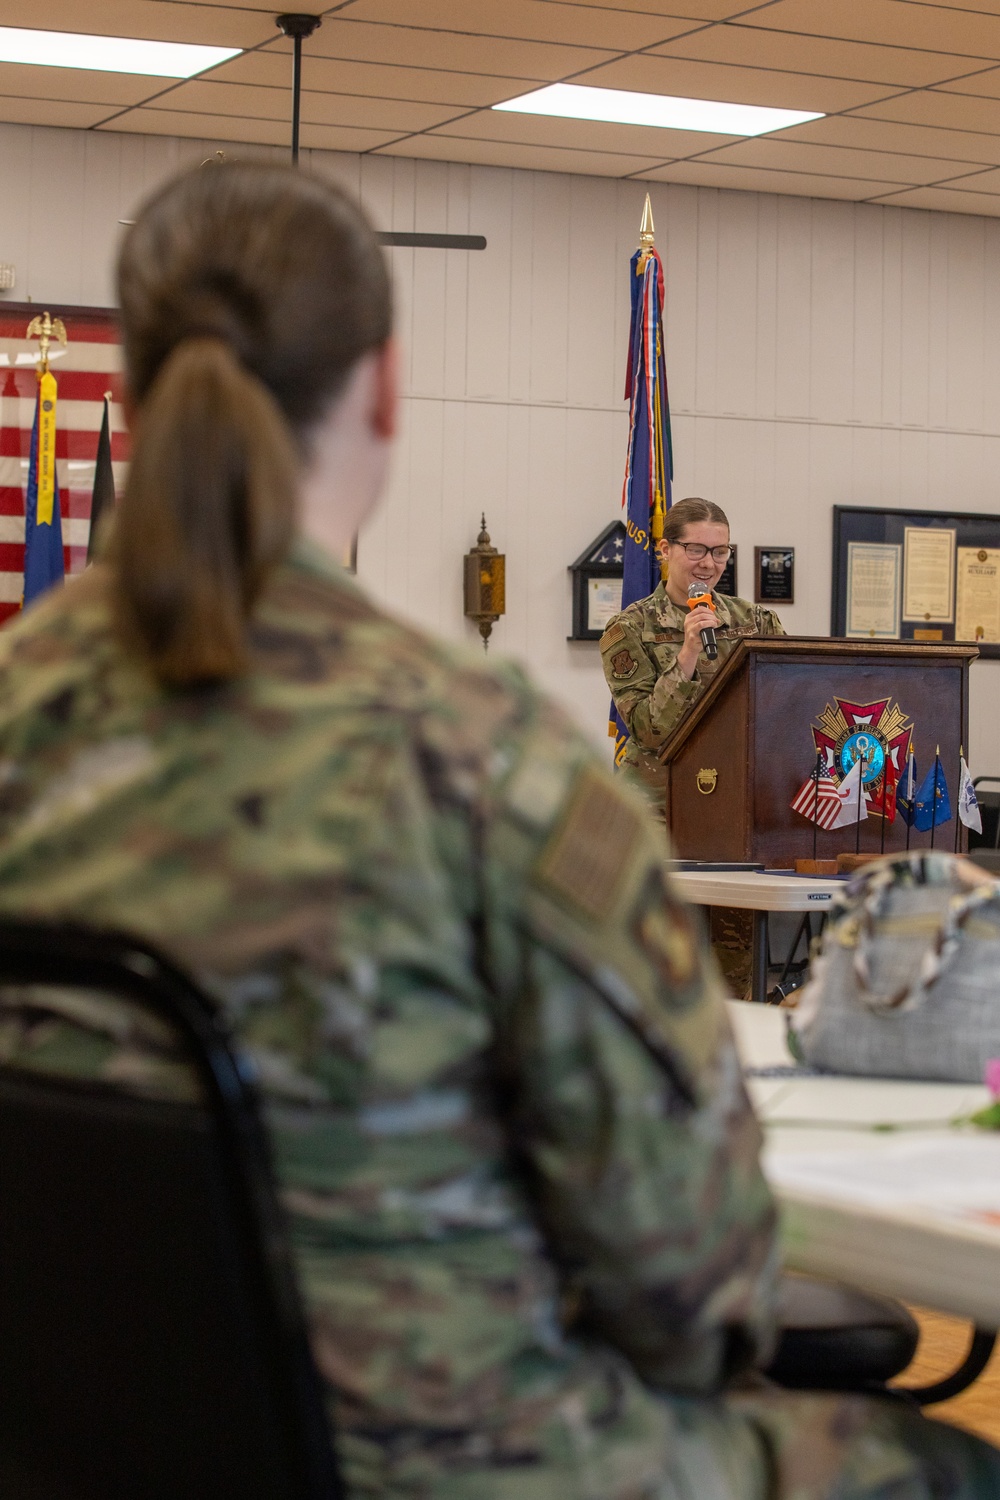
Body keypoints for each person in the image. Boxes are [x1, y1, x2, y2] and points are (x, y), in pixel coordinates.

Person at [0, 160, 996, 1500]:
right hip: (444, 1462)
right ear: (388, 390)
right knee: (937, 1465)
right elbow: (690, 1277)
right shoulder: (477, 758)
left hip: (79, 1431)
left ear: (132, 393)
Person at [601, 497, 784, 811]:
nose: (709, 564)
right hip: (658, 802)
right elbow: (648, 733)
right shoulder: (629, 628)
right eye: (696, 549)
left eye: (720, 551)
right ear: (665, 550)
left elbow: (784, 705)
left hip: (736, 795)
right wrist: (687, 655)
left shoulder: (754, 621)